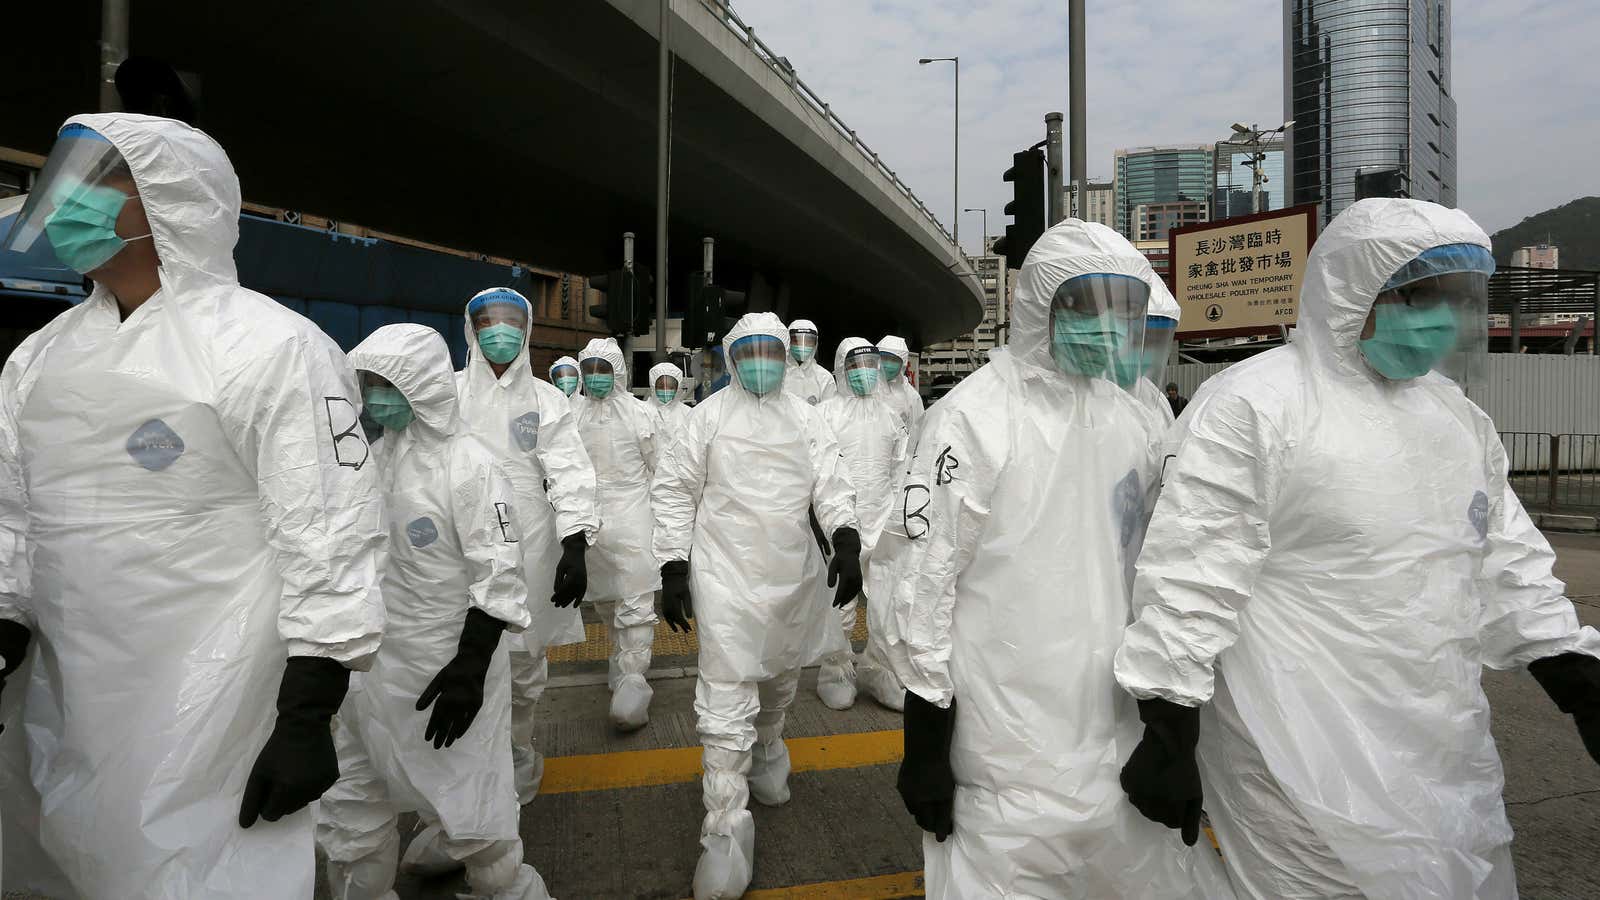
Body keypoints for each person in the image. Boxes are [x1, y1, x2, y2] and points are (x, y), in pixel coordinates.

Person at [1114, 198, 1600, 899]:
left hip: (1440, 737)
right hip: (1292, 747)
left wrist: (1569, 667)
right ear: (1352, 291)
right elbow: (1193, 572)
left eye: (1455, 297)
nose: (1441, 316)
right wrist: (1168, 723)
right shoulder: (1257, 405)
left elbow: (1503, 555)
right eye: (1417, 294)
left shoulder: (1454, 417)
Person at [0, 113, 386, 897]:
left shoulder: (270, 348)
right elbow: (14, 516)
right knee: (62, 864)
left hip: (218, 706)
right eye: (67, 180)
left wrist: (309, 710)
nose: (71, 200)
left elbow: (330, 529)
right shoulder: (38, 360)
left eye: (103, 181)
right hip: (64, 695)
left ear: (177, 202)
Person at [870, 219, 1234, 899]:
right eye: (1091, 305)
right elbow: (920, 581)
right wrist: (924, 745)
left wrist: (1171, 726)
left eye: (1124, 308)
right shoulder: (973, 417)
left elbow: (1173, 558)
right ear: (1043, 306)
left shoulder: (1137, 414)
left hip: (1119, 738)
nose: (1110, 326)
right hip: (1004, 754)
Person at [318, 324, 551, 900]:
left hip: (444, 671)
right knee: (354, 802)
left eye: (385, 384)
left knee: (470, 801)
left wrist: (471, 665)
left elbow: (498, 569)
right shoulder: (371, 458)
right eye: (367, 384)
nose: (373, 397)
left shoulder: (471, 464)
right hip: (368, 670)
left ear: (420, 386)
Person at [652, 312, 862, 900]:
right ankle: (724, 829)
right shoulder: (708, 418)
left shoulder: (807, 417)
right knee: (725, 692)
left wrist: (845, 535)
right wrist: (672, 563)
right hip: (724, 575)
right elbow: (673, 487)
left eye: (772, 350)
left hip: (792, 572)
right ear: (733, 357)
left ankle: (769, 744)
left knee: (780, 676)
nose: (764, 361)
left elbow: (833, 480)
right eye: (751, 352)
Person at [454, 288, 597, 803]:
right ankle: (467, 763)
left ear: (528, 327)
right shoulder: (447, 394)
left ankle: (516, 749)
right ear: (471, 328)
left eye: (512, 320)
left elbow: (570, 472)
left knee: (522, 656)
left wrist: (575, 540)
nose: (500, 330)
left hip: (529, 541)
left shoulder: (546, 399)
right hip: (461, 544)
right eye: (488, 320)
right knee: (465, 653)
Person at [814, 338, 910, 711]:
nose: (865, 372)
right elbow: (818, 472)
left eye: (870, 364)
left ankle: (878, 669)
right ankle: (835, 671)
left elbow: (899, 469)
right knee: (841, 603)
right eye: (856, 366)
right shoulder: (826, 414)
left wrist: (901, 515)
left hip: (884, 521)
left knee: (888, 602)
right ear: (841, 369)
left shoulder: (890, 415)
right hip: (842, 524)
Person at [573, 337, 661, 731]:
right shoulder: (570, 415)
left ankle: (633, 680)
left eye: (602, 369)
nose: (595, 377)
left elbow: (662, 470)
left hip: (634, 516)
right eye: (588, 368)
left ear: (618, 372)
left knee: (636, 601)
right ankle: (621, 663)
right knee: (607, 602)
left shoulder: (642, 415)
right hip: (590, 522)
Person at [877, 334, 925, 439]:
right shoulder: (867, 387)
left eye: (894, 360)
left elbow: (917, 431)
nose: (888, 364)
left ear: (902, 364)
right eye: (884, 358)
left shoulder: (911, 396)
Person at [782, 318, 835, 406]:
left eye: (808, 341)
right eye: (796, 340)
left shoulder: (824, 378)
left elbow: (829, 414)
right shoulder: (778, 372)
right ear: (788, 341)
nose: (802, 346)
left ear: (815, 344)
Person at [650, 361, 693, 444]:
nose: (665, 390)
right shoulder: (643, 411)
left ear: (678, 387)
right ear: (653, 386)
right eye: (661, 387)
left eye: (670, 387)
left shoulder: (688, 413)